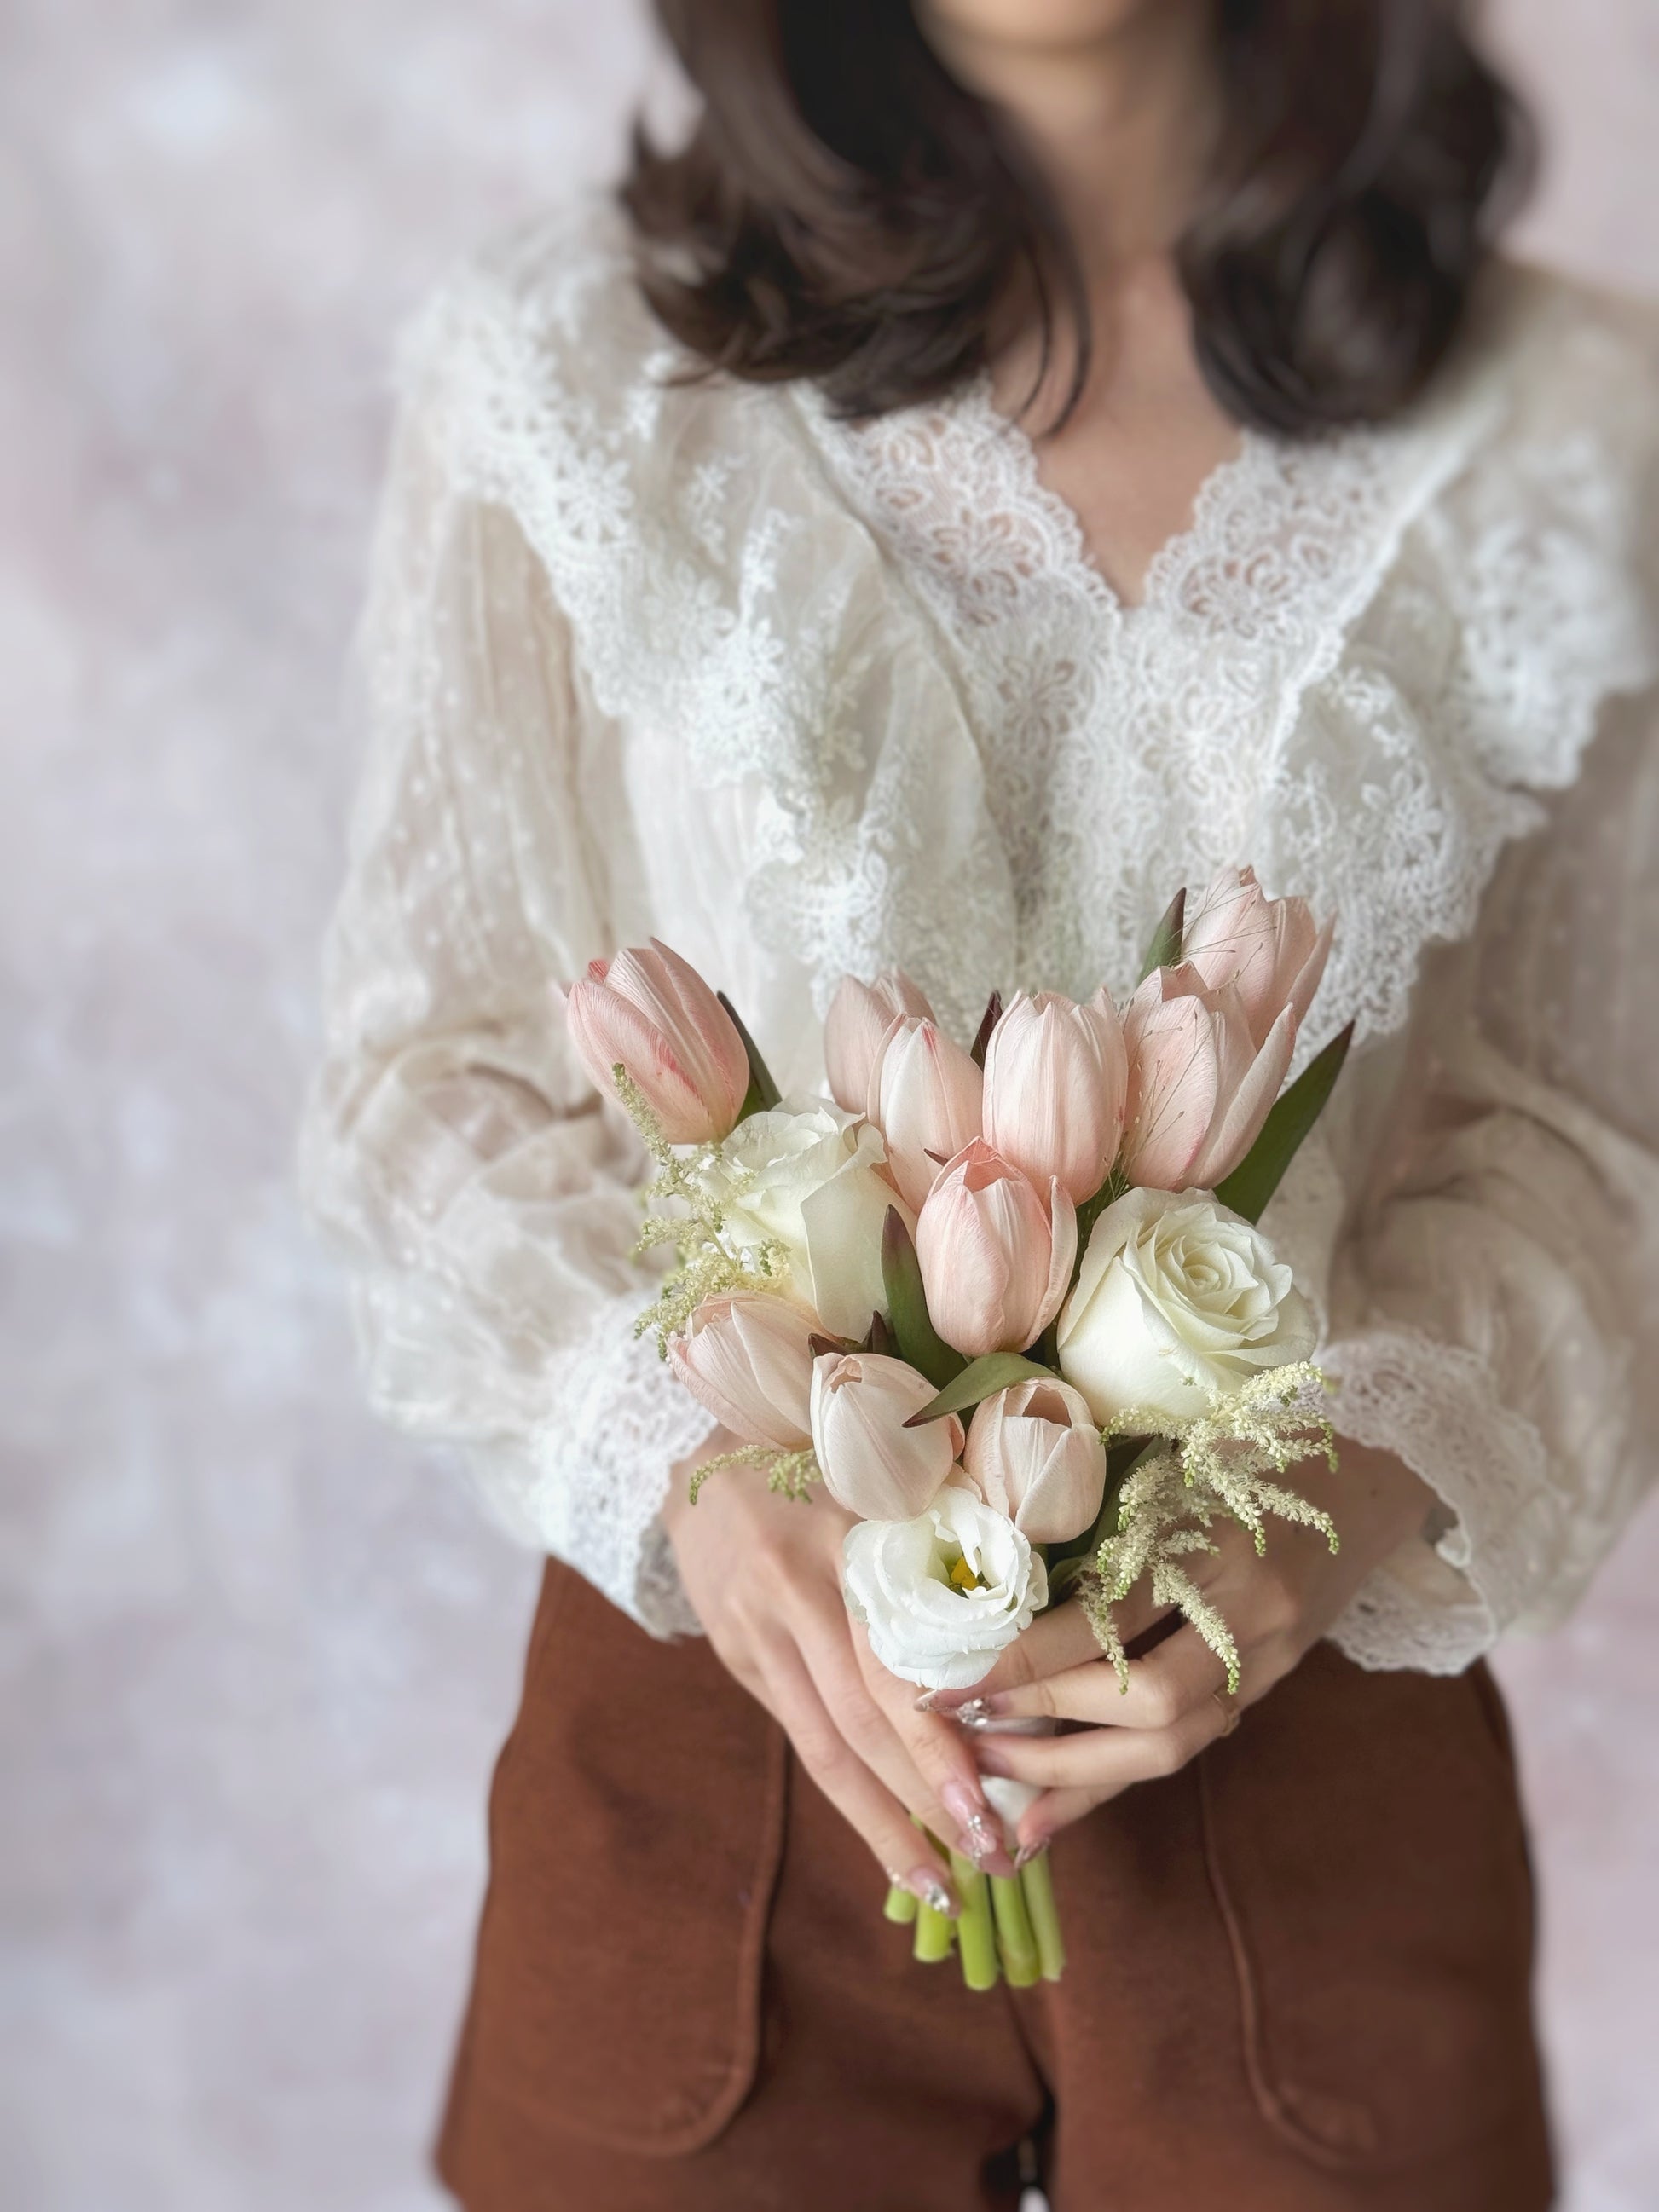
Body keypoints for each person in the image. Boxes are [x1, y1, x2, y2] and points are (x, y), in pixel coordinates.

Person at [299, 2, 1659, 2204]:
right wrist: (707, 1483)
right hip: (717, 1739)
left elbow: (1596, 1137)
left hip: (1297, 1751)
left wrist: (1300, 1529)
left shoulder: (1562, 429)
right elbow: (429, 1070)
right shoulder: (571, 369)